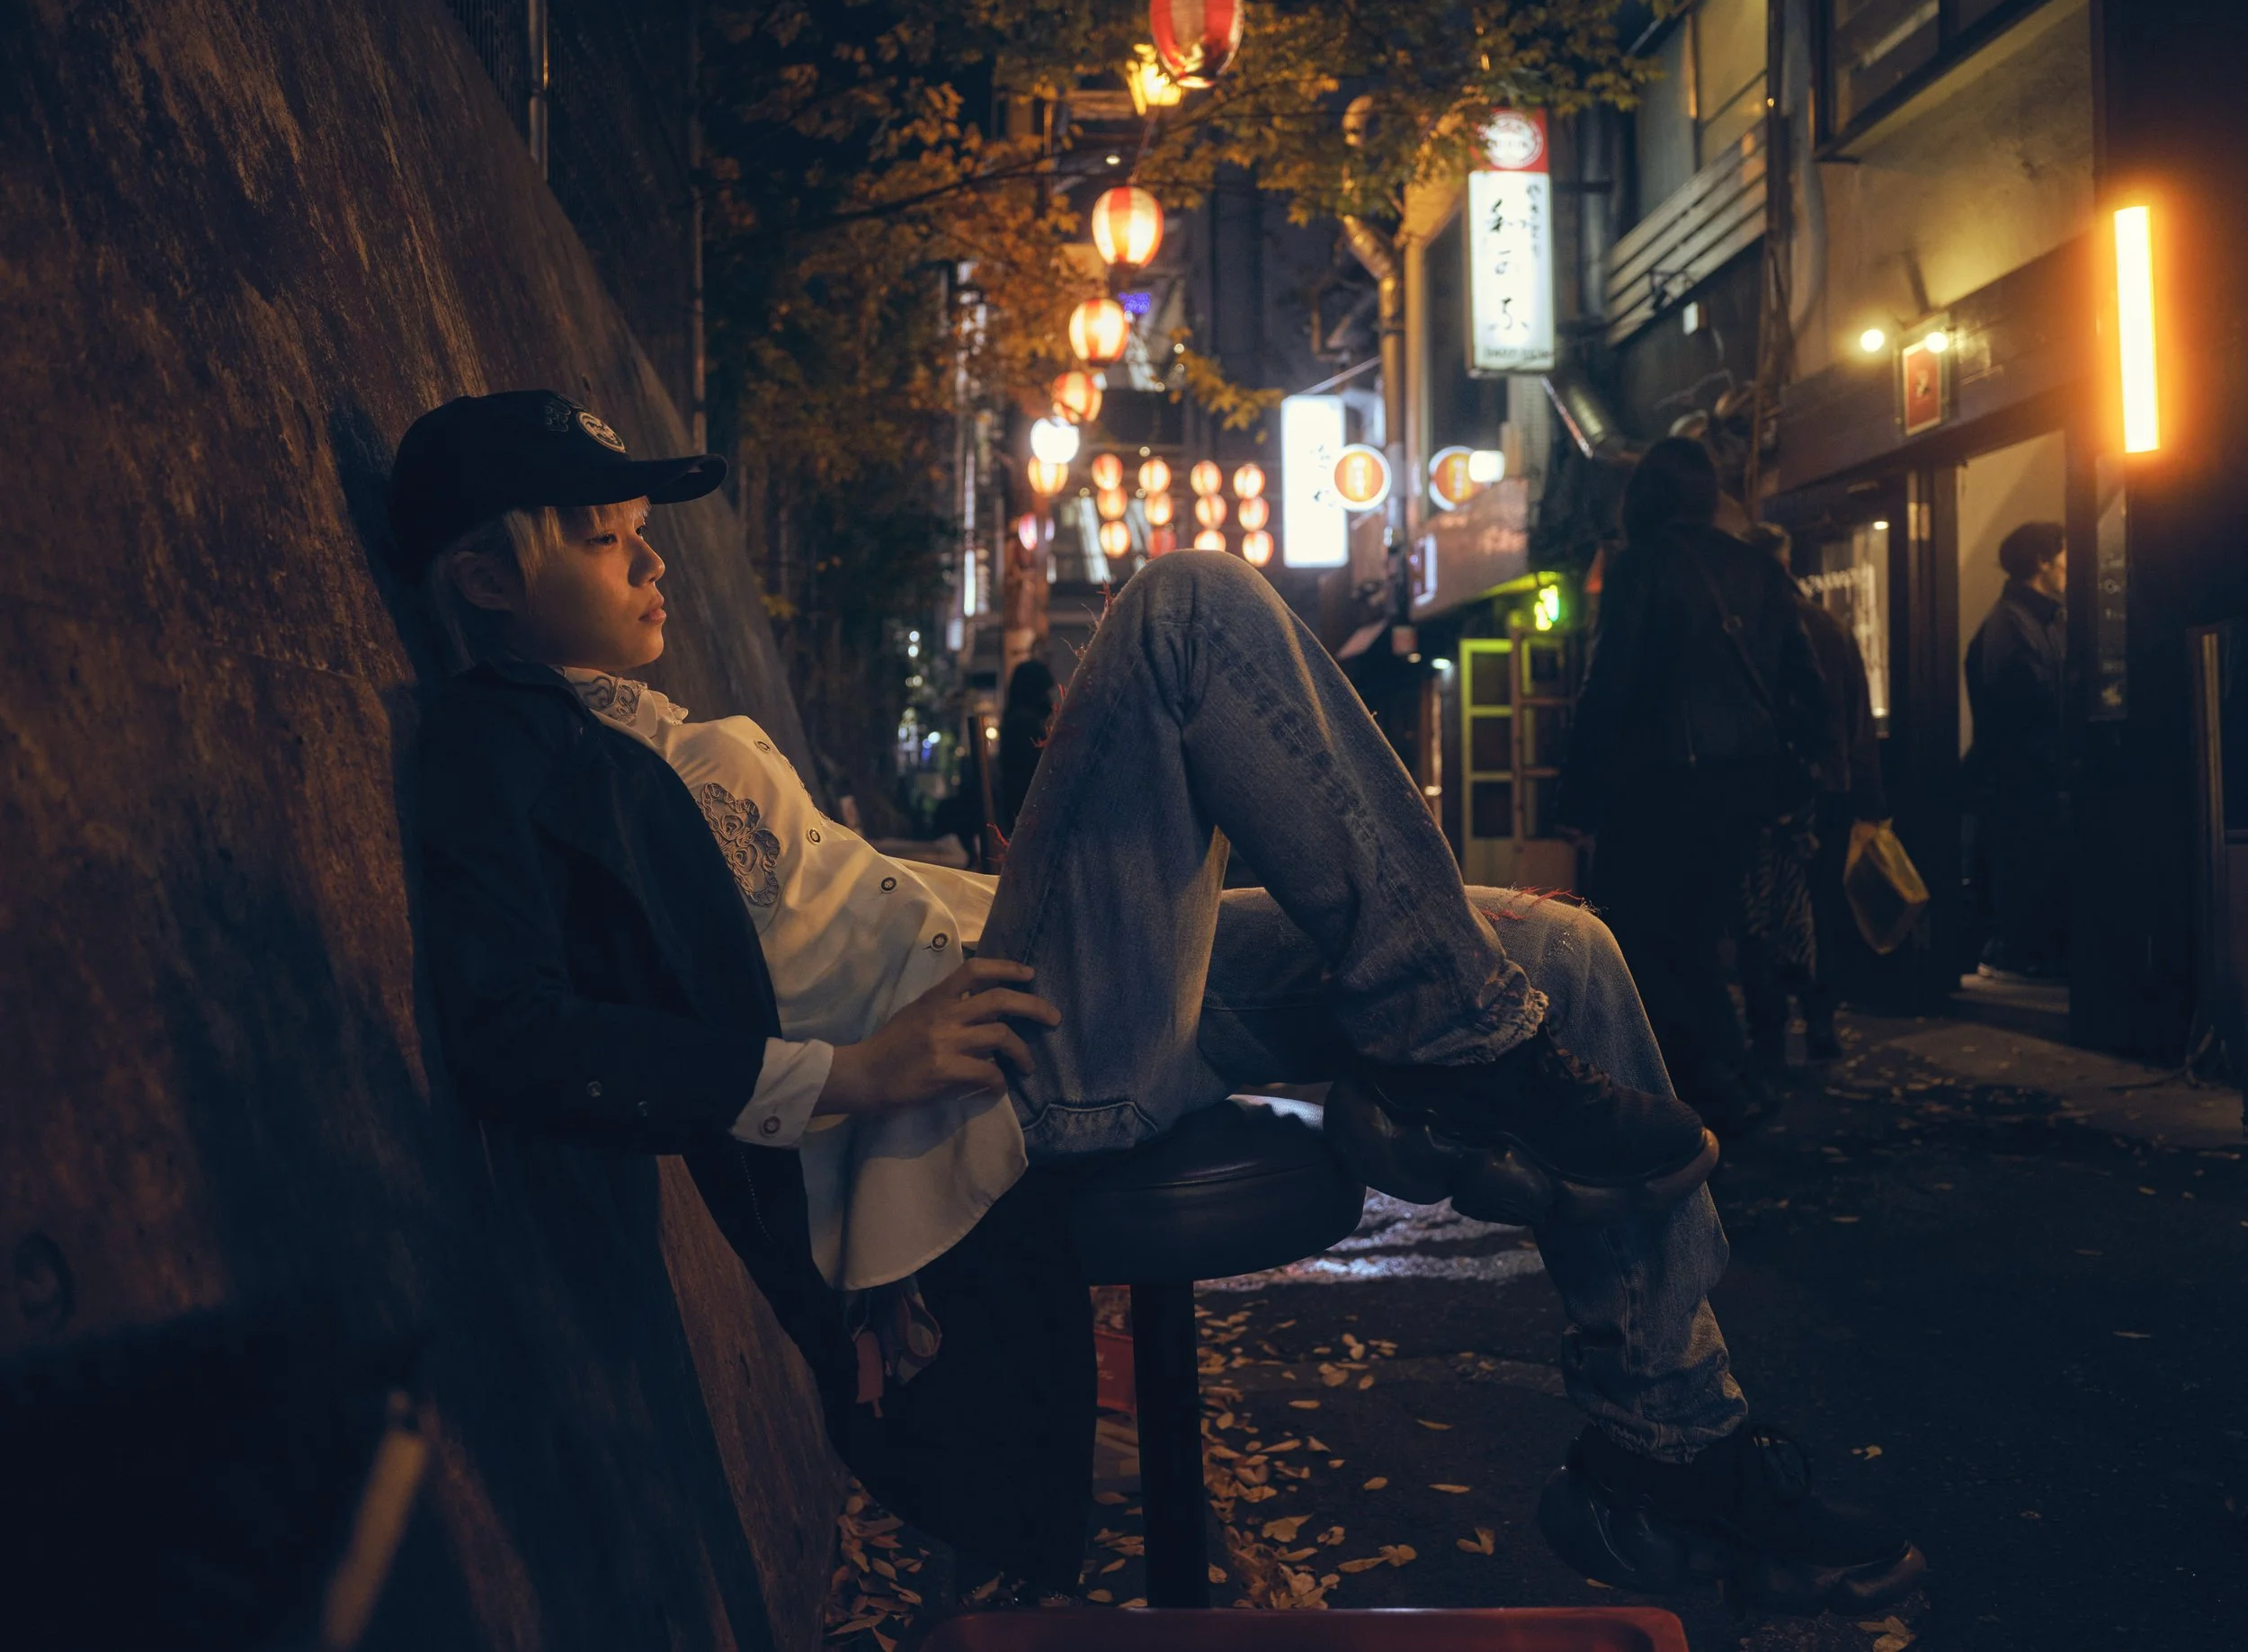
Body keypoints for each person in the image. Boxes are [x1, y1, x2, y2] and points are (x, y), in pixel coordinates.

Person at [399, 392, 1921, 1615]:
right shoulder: (502, 748)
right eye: (605, 540)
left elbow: (837, 907)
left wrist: (1021, 884)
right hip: (995, 1080)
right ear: (483, 577)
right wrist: (849, 1076)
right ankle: (1459, 1056)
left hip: (1026, 974)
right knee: (1187, 604)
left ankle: (1669, 1445)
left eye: (645, 534)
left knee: (1560, 951)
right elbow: (516, 1035)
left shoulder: (648, 723)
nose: (652, 562)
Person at [1557, 440, 1834, 1130]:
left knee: (1642, 934)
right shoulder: (1759, 569)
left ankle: (1708, 1078)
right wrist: (1796, 777)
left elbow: (1609, 685)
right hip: (1743, 786)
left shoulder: (1640, 566)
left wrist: (1578, 797)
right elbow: (1807, 688)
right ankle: (1724, 1075)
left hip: (1659, 784)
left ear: (1643, 497)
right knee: (1699, 932)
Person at [1738, 523, 1888, 1064]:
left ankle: (1769, 1030)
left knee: (1760, 912)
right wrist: (1869, 801)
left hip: (1761, 795)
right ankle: (1821, 1020)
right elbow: (1857, 724)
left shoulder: (1740, 631)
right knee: (1822, 907)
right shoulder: (1828, 627)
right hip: (1827, 792)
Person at [1964, 521, 2068, 978]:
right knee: (2027, 873)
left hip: (2034, 780)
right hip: (2024, 784)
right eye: (2064, 553)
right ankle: (2020, 953)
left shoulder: (2037, 619)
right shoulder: (2012, 625)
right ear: (2043, 561)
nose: (2070, 564)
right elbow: (2028, 709)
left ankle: (2028, 951)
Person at [995, 657, 1059, 839]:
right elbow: (1034, 767)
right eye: (1044, 691)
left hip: (1021, 805)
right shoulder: (1025, 722)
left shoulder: (1018, 718)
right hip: (1029, 806)